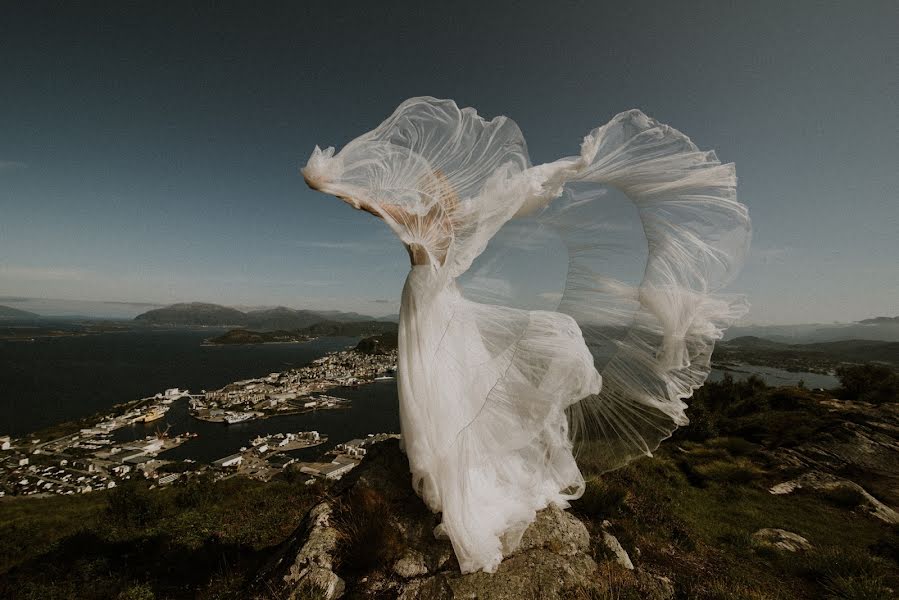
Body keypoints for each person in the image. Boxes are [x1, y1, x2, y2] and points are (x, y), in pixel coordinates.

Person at [302, 97, 750, 573]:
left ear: (431, 197)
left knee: (433, 376)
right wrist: (574, 165)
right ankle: (440, 453)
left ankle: (434, 457)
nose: (436, 194)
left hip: (426, 302)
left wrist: (328, 183)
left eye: (432, 189)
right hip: (441, 300)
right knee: (452, 377)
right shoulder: (457, 221)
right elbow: (514, 193)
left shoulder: (422, 220)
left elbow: (369, 204)